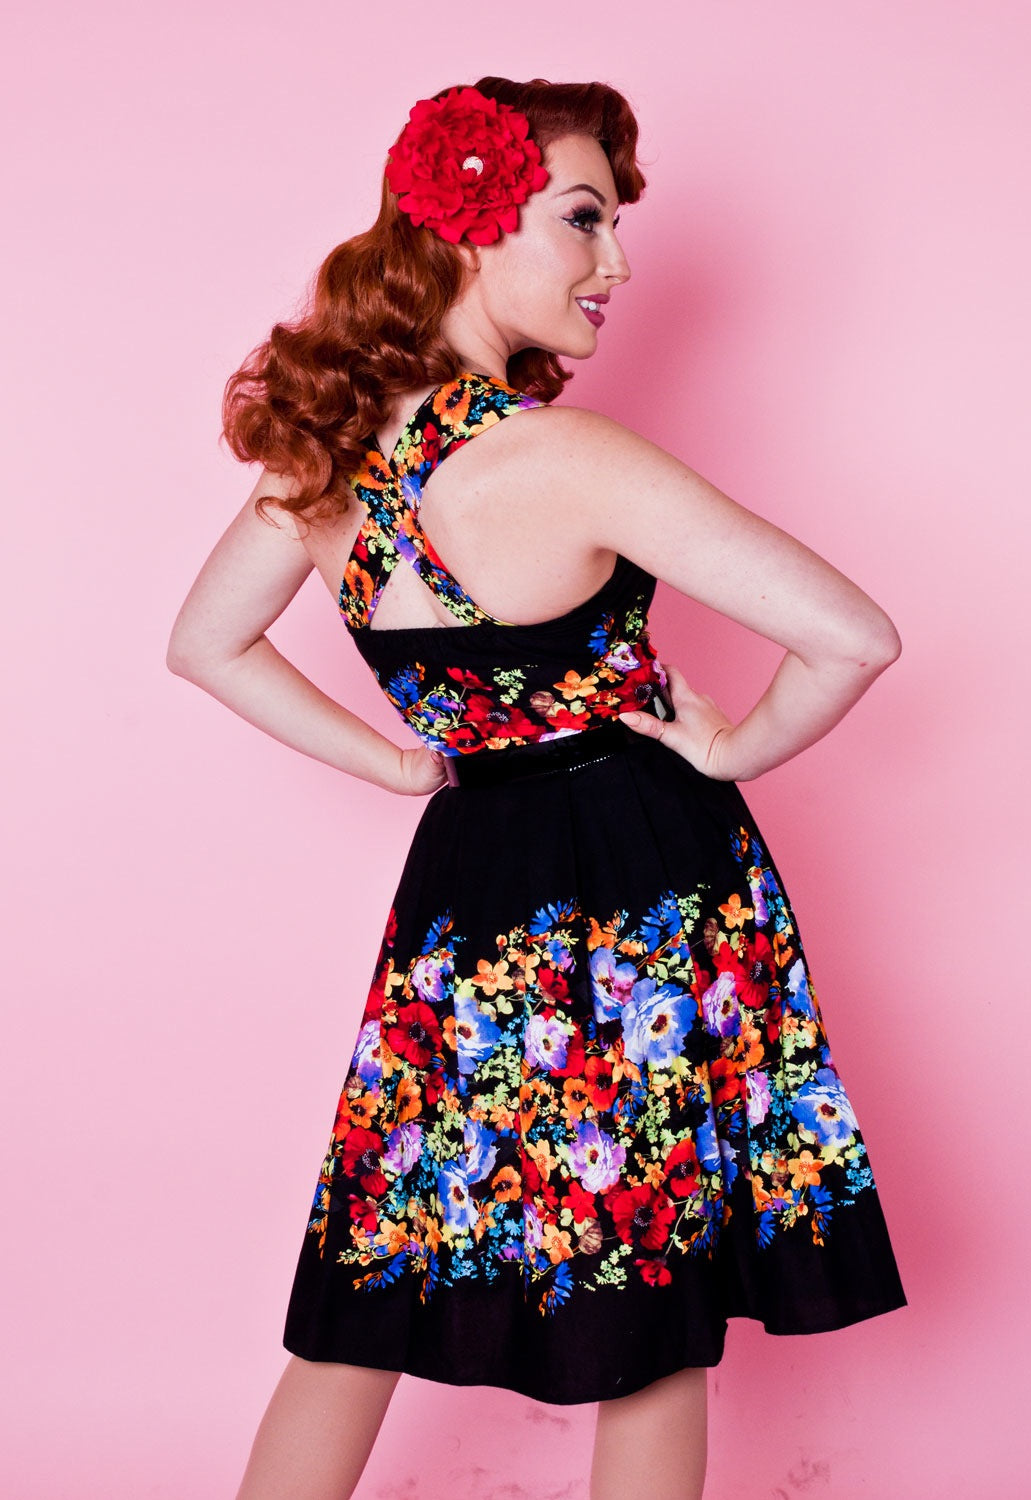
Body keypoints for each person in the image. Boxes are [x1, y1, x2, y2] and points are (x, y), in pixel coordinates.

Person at [167, 77, 907, 1500]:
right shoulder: (566, 457)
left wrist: (403, 763)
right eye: (584, 220)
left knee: (369, 1277)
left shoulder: (327, 460)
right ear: (466, 229)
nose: (615, 261)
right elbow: (855, 637)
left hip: (469, 884)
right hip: (643, 888)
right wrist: (733, 746)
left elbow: (204, 644)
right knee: (651, 1299)